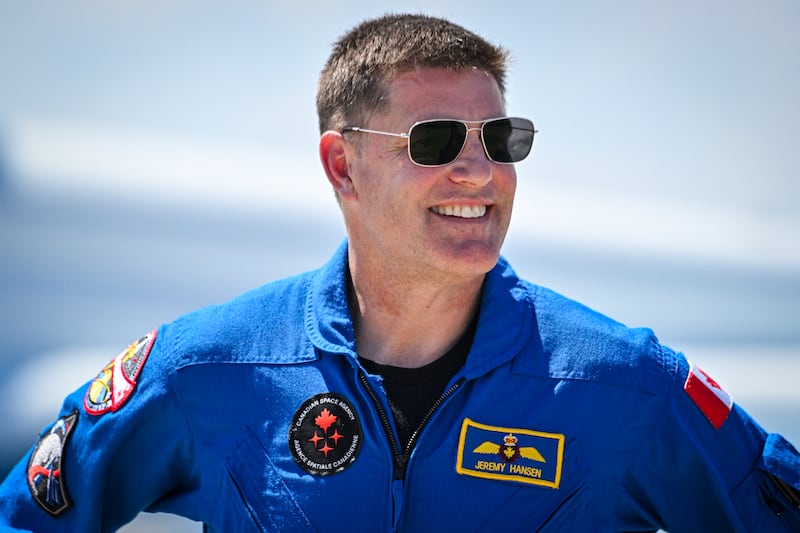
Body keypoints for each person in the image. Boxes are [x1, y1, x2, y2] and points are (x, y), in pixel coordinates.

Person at [1, 13, 798, 532]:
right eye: (437, 140)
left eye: (503, 138)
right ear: (342, 165)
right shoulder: (205, 369)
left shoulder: (626, 386)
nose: (480, 172)